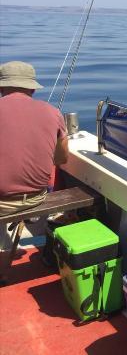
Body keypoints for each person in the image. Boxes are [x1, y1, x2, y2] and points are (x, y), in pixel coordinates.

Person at [0, 61, 69, 233]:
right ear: (32, 89)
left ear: (1, 88)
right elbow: (61, 159)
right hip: (36, 198)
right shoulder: (53, 112)